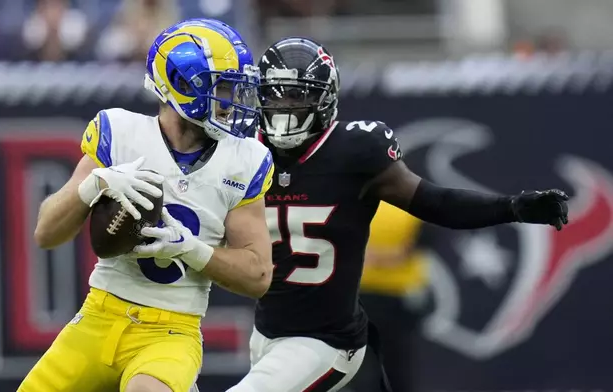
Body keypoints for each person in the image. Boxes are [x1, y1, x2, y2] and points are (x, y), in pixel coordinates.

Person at [227, 37, 569, 392]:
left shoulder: (354, 151)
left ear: (323, 98)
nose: (283, 105)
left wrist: (511, 207)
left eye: (296, 95)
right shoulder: (245, 152)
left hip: (325, 339)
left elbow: (435, 202)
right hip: (266, 332)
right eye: (274, 93)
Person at [17, 19, 274, 392]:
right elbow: (46, 233)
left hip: (172, 329)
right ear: (184, 85)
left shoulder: (244, 160)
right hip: (99, 315)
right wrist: (93, 185)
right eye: (226, 88)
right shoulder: (120, 133)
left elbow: (258, 276)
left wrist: (192, 249)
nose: (233, 102)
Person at [351, 202, 431, 392]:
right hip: (394, 296)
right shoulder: (414, 206)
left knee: (360, 361)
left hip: (362, 295)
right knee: (395, 363)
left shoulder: (354, 203)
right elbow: (425, 241)